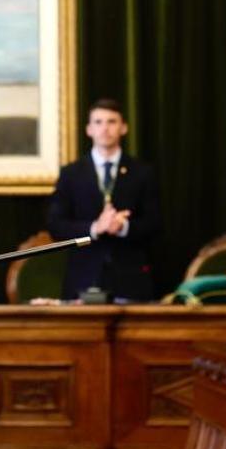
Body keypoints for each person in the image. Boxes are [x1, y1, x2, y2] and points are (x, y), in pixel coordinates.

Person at [47, 98, 160, 302]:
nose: (105, 128)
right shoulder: (71, 174)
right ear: (88, 129)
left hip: (131, 281)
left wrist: (123, 226)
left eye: (111, 122)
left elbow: (155, 223)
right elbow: (56, 226)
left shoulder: (143, 173)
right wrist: (95, 227)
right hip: (83, 279)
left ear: (123, 128)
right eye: (98, 122)